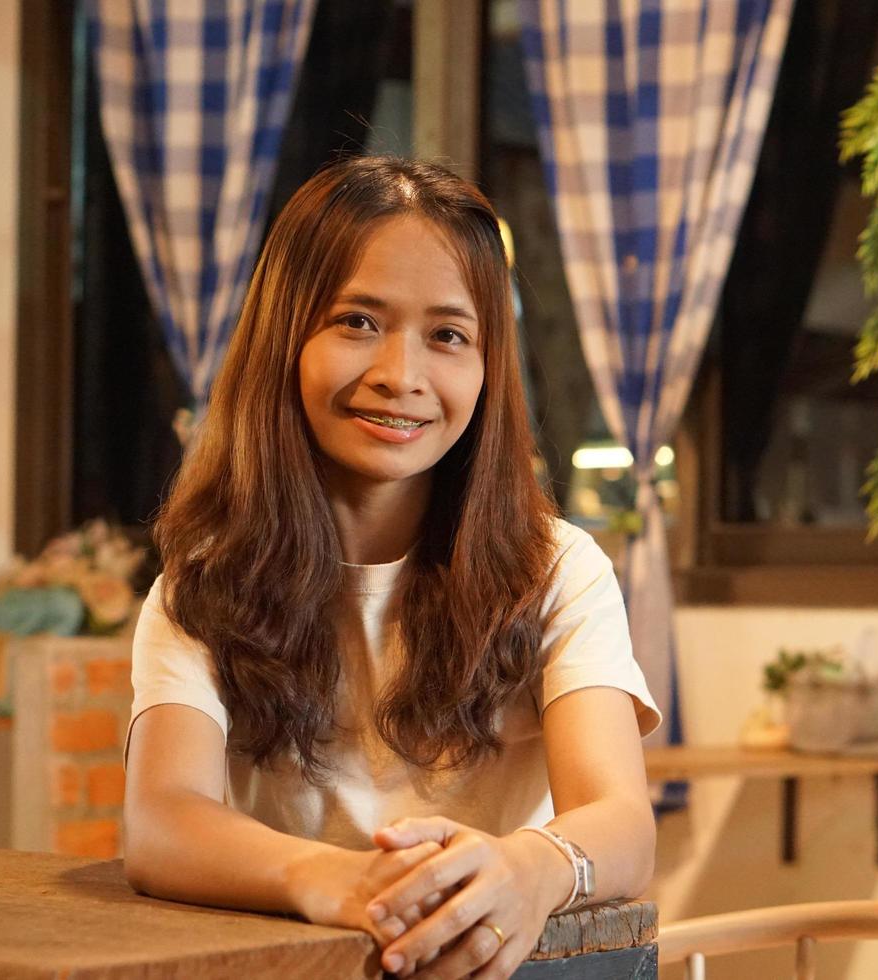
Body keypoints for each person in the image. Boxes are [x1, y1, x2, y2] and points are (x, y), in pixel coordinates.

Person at [124, 156, 661, 980]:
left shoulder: (556, 570)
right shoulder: (203, 584)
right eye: (358, 322)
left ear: (488, 369)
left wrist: (533, 867)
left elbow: (622, 818)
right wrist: (330, 877)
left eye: (448, 335)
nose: (400, 377)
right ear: (285, 338)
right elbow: (162, 821)